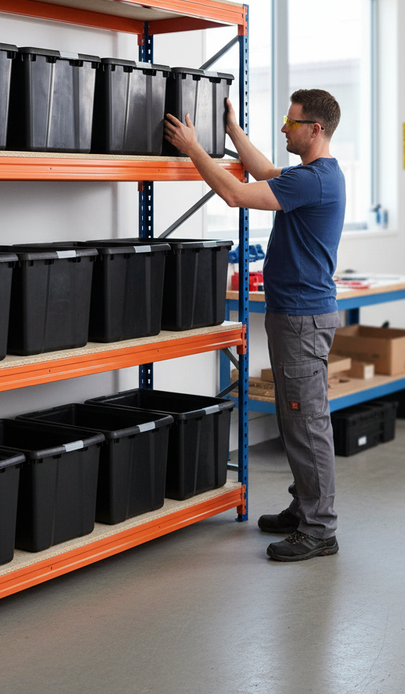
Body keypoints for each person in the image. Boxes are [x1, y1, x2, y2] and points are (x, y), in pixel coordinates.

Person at [163, 89, 345, 562]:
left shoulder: (315, 180)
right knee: (297, 420)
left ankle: (319, 529)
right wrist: (231, 131)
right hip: (298, 315)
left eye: (292, 121)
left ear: (315, 130)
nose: (285, 127)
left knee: (306, 423)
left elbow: (236, 193)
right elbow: (263, 173)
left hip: (303, 318)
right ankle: (305, 506)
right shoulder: (313, 176)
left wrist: (193, 148)